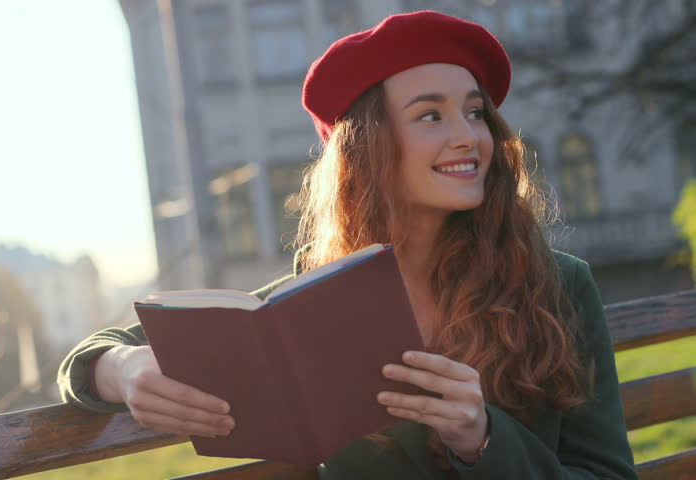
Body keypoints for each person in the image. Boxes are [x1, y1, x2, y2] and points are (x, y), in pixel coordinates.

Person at [57, 10, 638, 479]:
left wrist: (483, 439)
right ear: (368, 150)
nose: (468, 136)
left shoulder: (557, 286)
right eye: (430, 115)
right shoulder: (309, 307)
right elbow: (94, 355)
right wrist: (125, 368)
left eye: (475, 112)